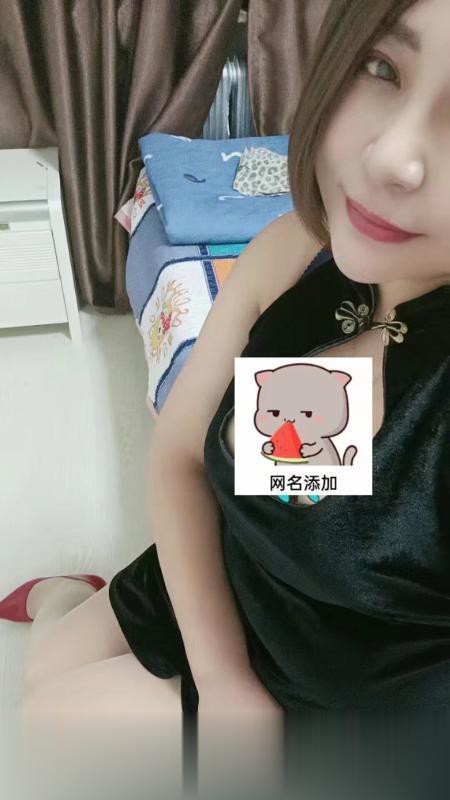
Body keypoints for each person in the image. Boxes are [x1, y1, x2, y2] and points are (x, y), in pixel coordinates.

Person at [3, 0, 450, 736]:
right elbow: (181, 457)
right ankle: (64, 594)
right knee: (46, 665)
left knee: (49, 717)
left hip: (332, 697)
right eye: (382, 66)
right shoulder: (295, 249)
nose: (389, 157)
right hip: (235, 567)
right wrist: (223, 683)